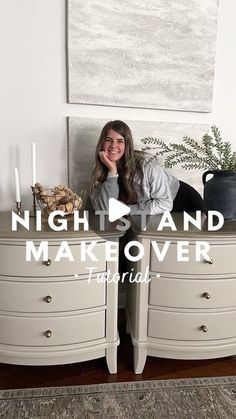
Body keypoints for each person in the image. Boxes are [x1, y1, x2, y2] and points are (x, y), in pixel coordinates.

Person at [90, 120, 204, 214]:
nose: (113, 146)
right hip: (152, 212)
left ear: (127, 145)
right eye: (108, 140)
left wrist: (127, 210)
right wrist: (112, 172)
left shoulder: (146, 165)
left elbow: (165, 204)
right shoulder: (101, 170)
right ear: (102, 143)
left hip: (184, 203)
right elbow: (104, 210)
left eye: (120, 141)